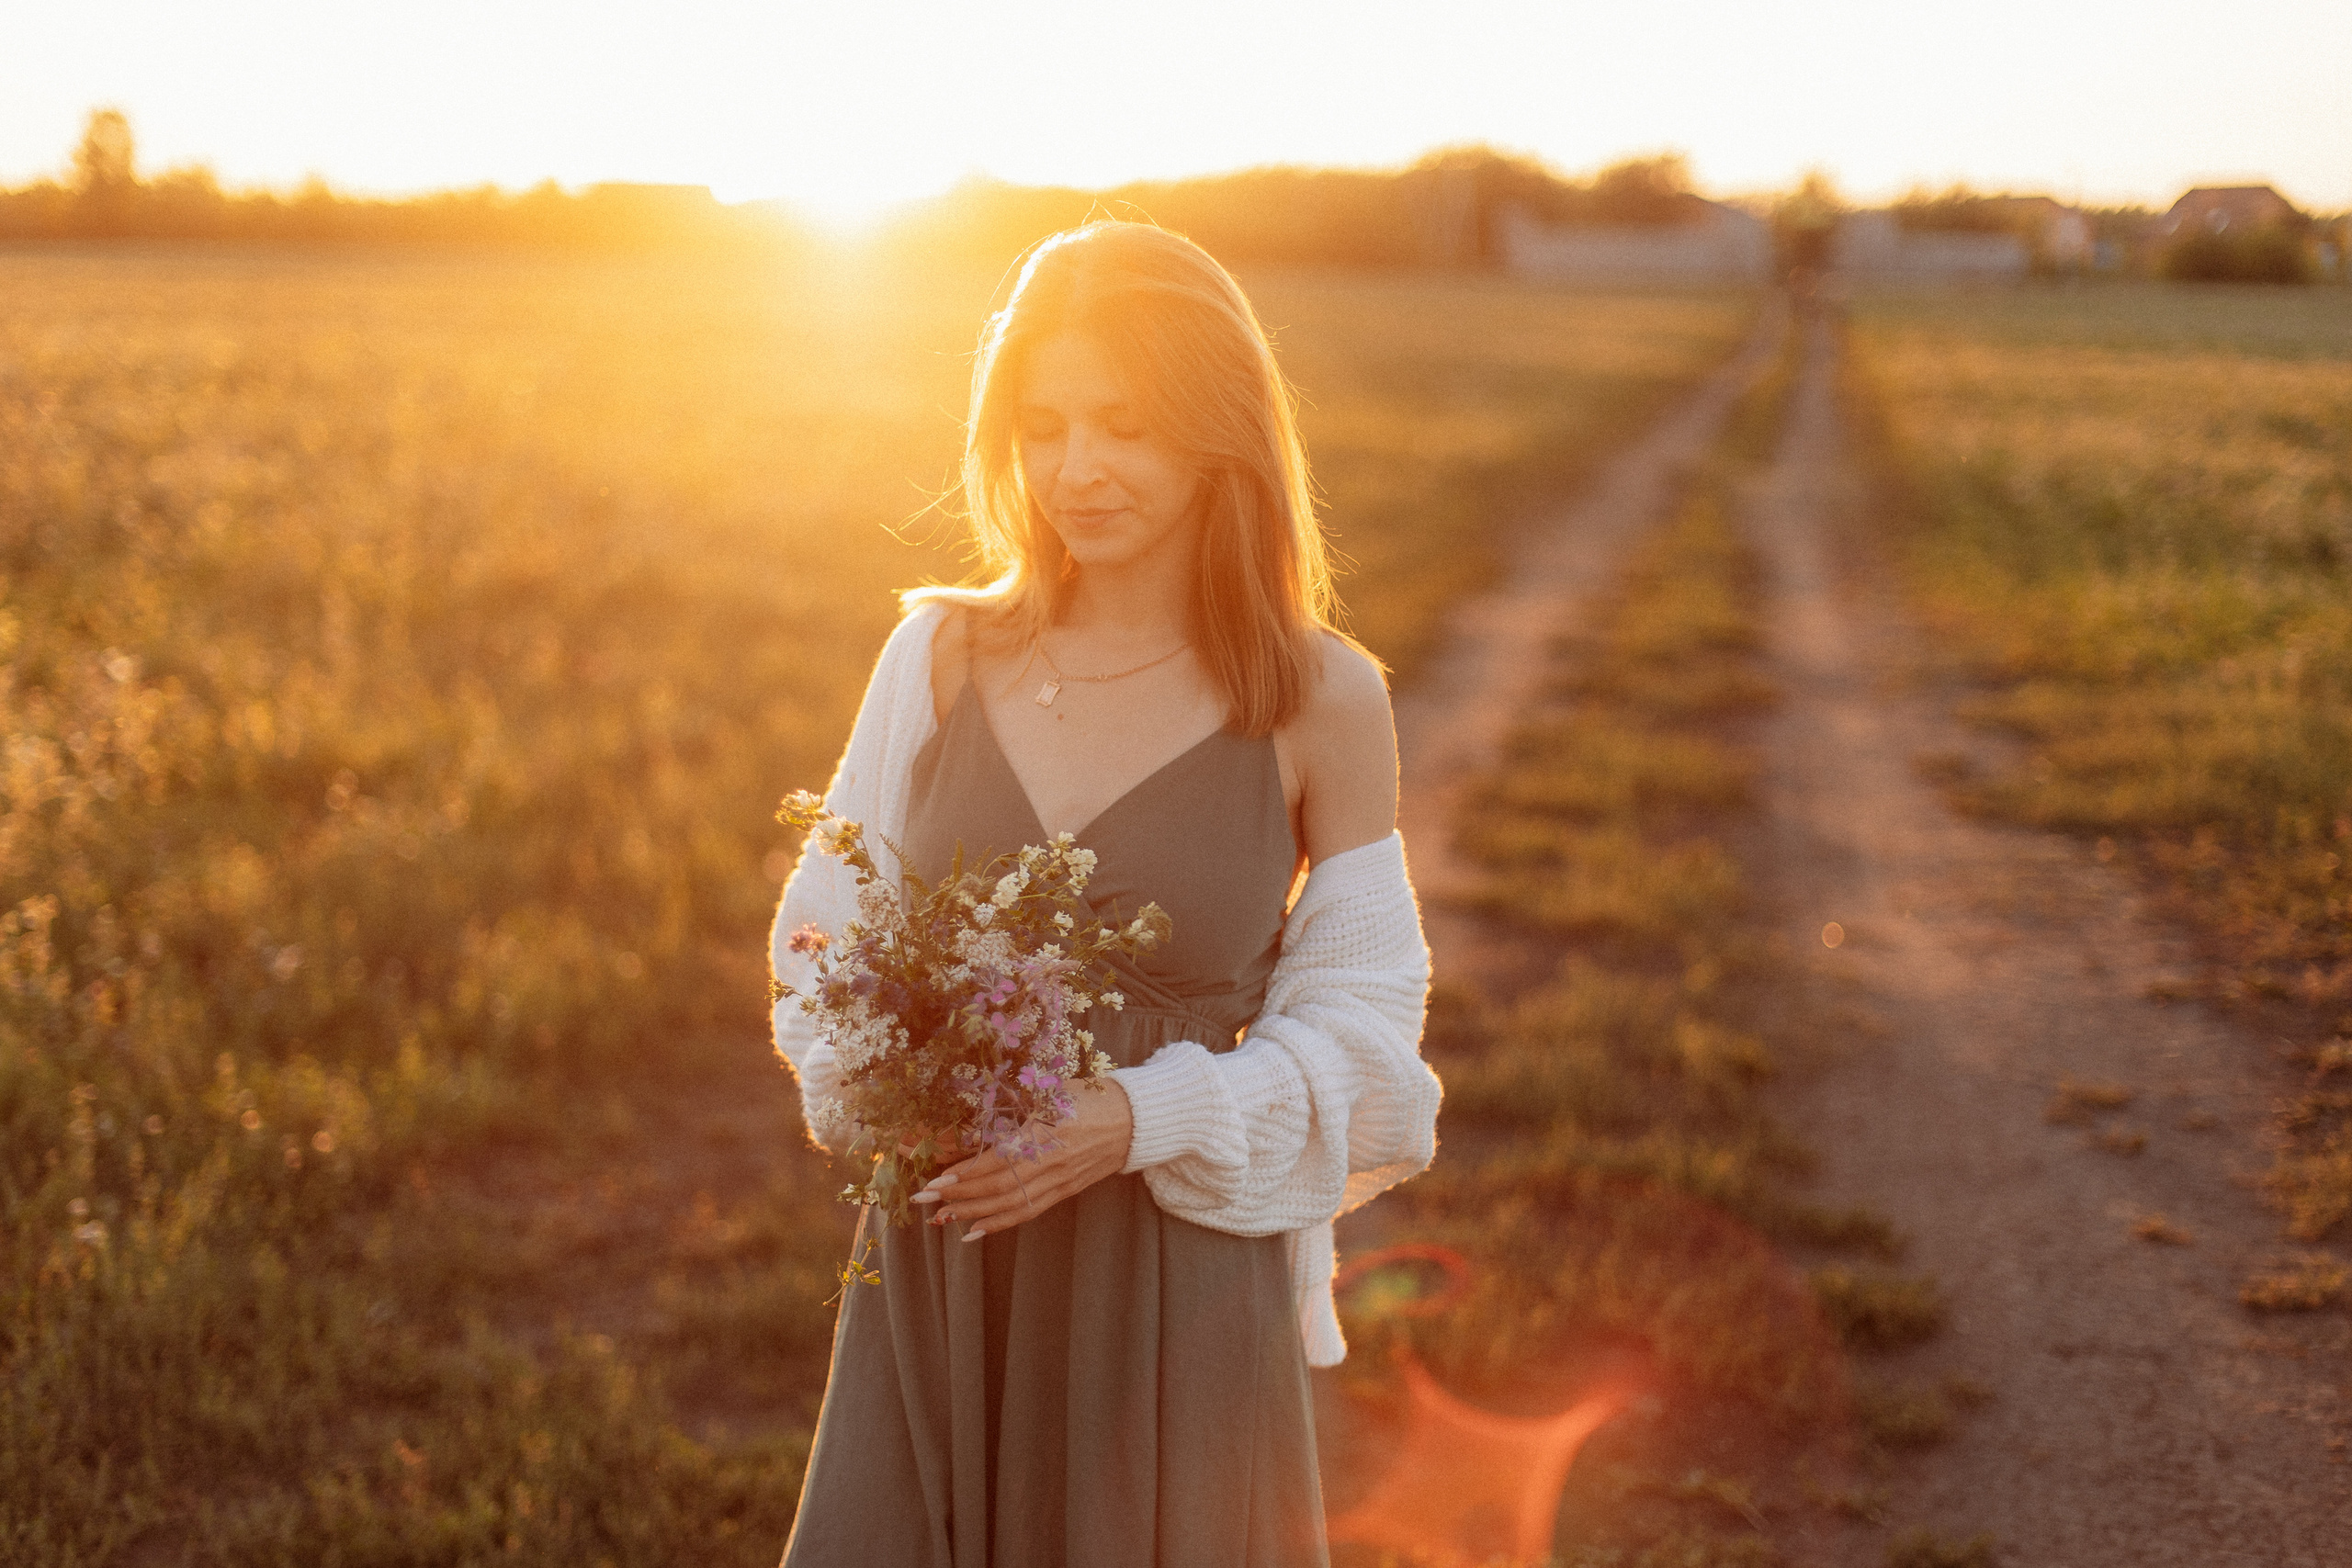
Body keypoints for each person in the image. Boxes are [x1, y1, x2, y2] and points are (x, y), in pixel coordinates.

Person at [770, 220, 1442, 1568]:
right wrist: (895, 1093)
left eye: (1125, 426)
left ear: (1217, 434)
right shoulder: (942, 655)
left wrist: (1135, 1114)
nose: (1077, 470)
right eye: (1043, 425)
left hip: (1175, 1276)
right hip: (950, 1259)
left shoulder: (1319, 697)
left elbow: (1372, 1057)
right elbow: (818, 943)